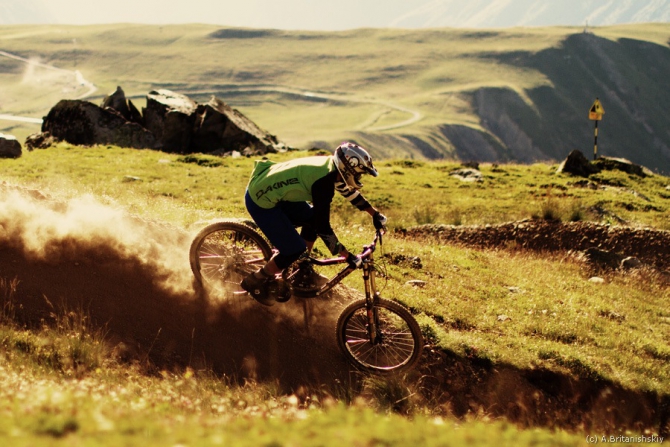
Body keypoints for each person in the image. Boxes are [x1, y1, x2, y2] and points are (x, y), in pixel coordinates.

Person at [241, 142, 387, 306]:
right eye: (360, 174)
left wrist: (374, 214)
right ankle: (256, 280)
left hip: (275, 192)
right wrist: (347, 256)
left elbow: (349, 193)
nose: (360, 178)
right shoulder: (323, 183)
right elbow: (323, 227)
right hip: (261, 200)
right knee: (293, 249)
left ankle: (302, 265)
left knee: (311, 220)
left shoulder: (331, 169)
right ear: (348, 170)